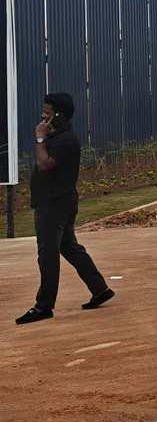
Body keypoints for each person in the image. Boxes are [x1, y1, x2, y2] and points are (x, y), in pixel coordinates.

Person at [15, 92, 114, 325]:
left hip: (54, 205)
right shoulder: (59, 134)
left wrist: (40, 138)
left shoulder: (65, 139)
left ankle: (43, 306)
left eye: (47, 113)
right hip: (60, 202)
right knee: (69, 247)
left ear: (59, 115)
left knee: (47, 255)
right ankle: (100, 289)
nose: (42, 116)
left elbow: (44, 164)